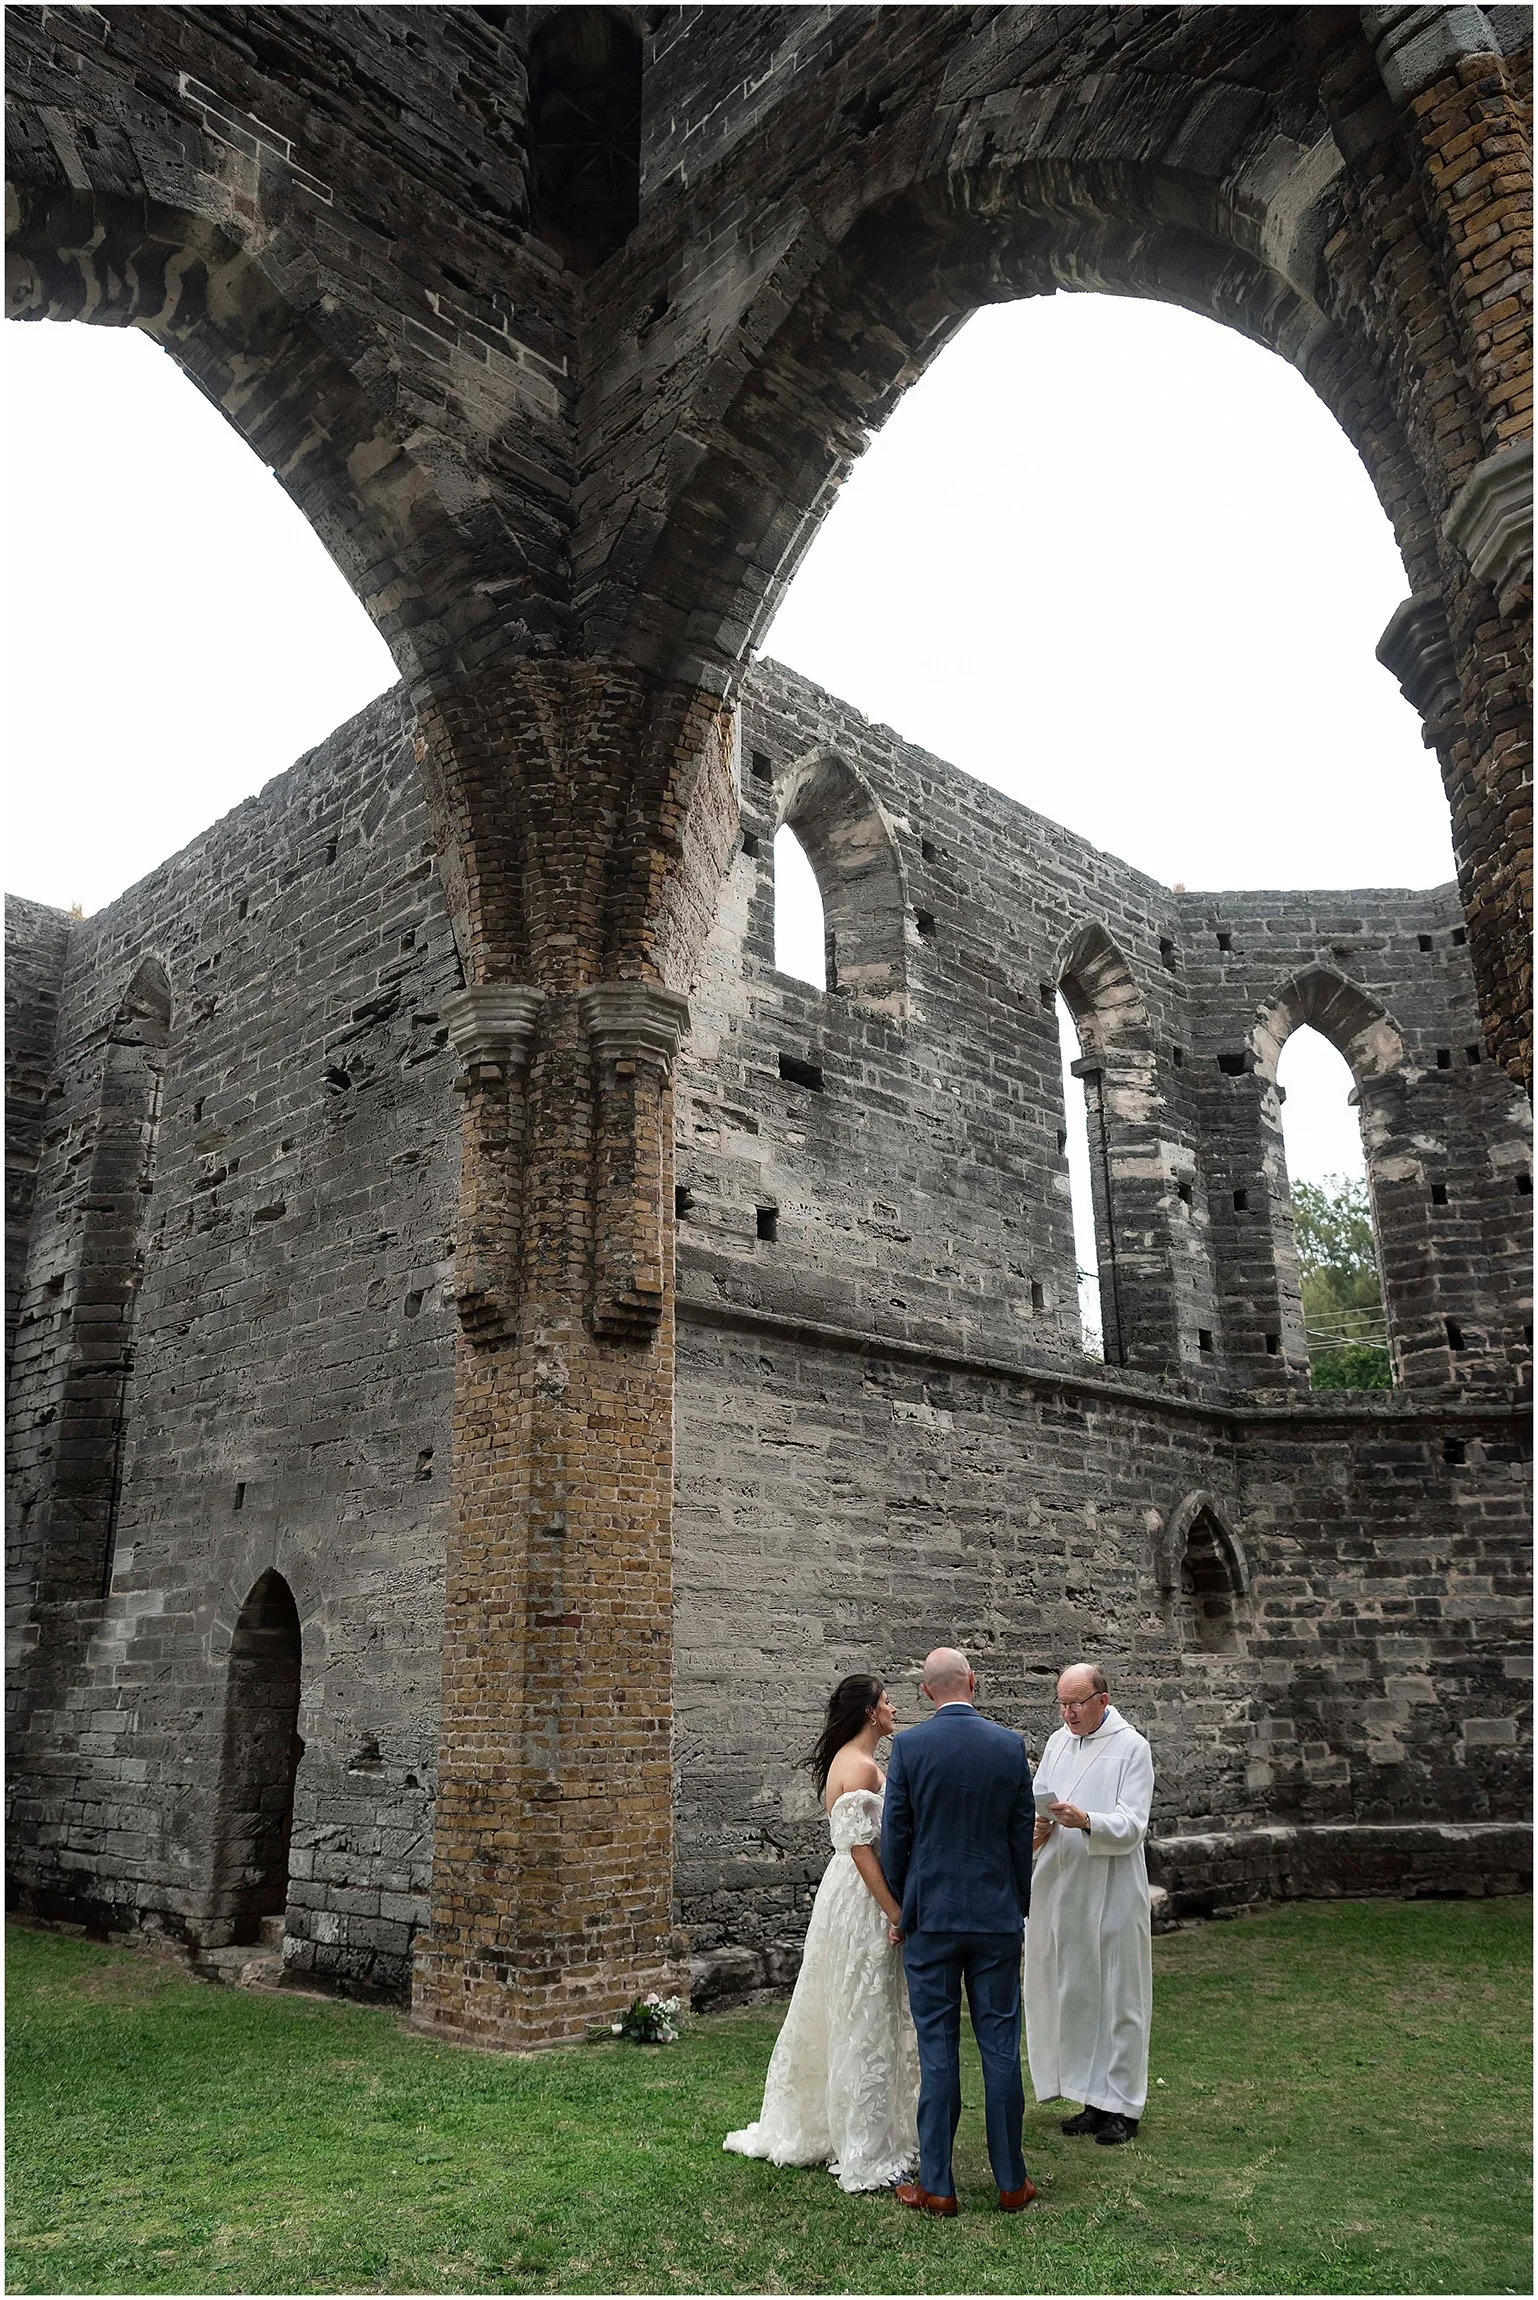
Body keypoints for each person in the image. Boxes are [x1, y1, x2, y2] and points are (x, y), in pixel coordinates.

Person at [724, 1674, 919, 2192]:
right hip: (862, 1893)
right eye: (886, 1701)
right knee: (864, 2009)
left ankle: (850, 2125)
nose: (893, 1708)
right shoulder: (860, 1767)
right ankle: (865, 2146)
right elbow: (861, 1848)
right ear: (870, 1712)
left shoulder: (851, 1761)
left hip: (846, 1890)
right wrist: (894, 1911)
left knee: (850, 2004)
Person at [880, 1648, 1037, 2216]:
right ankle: (1011, 2181)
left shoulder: (909, 1747)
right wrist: (1017, 1904)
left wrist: (900, 1909)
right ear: (973, 1681)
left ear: (926, 1692)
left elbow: (895, 1837)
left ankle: (938, 2186)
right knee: (1000, 2046)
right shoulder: (1008, 1746)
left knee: (938, 2048)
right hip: (995, 1916)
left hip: (932, 1918)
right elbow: (1021, 1835)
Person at [1024, 1662, 1154, 2147]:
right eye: (1061, 1704)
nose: (1068, 1713)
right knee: (1077, 1992)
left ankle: (1124, 2105)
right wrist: (1040, 1825)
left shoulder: (1132, 1748)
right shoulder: (1058, 1743)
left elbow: (1133, 1823)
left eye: (1076, 1703)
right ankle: (1091, 2097)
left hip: (1113, 1886)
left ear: (1103, 1699)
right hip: (1065, 1886)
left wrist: (1086, 1821)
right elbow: (1039, 1800)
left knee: (1120, 1994)